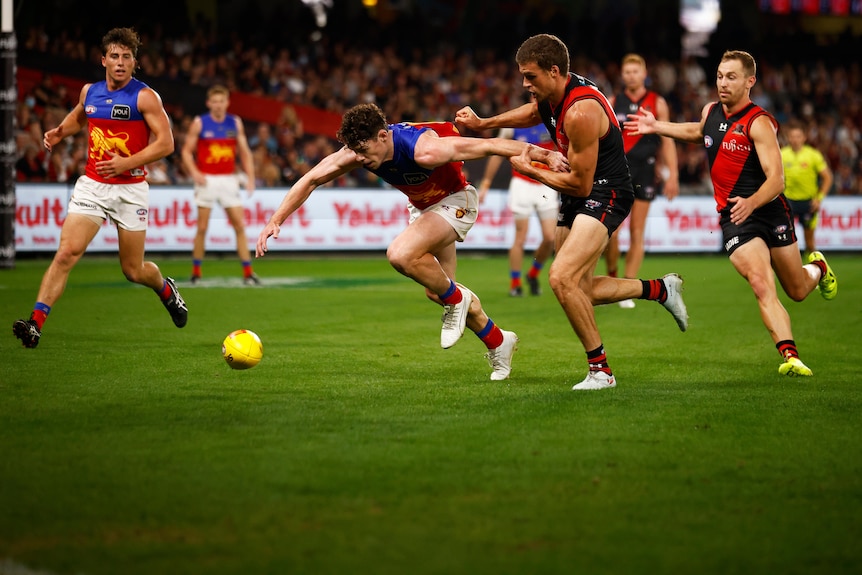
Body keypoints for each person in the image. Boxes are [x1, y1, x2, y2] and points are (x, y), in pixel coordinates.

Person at [256, 103, 567, 381]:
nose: (361, 159)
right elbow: (310, 178)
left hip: (456, 201)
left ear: (382, 136)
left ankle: (457, 301)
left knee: (401, 254)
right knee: (437, 290)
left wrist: (546, 155)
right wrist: (275, 219)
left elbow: (493, 146)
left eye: (364, 151)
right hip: (424, 208)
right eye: (355, 152)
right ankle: (499, 341)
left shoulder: (424, 150)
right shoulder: (358, 152)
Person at [455, 33, 688, 390]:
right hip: (580, 193)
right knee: (581, 289)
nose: (524, 83)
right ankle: (659, 290)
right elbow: (534, 112)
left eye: (530, 76)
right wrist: (484, 123)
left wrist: (529, 167)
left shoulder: (580, 111)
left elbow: (580, 184)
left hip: (606, 192)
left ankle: (602, 371)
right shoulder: (551, 96)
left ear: (553, 71)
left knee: (561, 278)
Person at [626, 50, 838, 377]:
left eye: (732, 77)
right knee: (760, 281)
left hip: (769, 211)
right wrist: (657, 126)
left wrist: (752, 201)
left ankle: (819, 268)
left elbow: (777, 180)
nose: (723, 83)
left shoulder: (759, 122)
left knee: (796, 289)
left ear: (750, 81)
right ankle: (790, 355)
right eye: (720, 76)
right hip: (735, 218)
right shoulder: (710, 110)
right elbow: (700, 132)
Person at [13, 27, 187, 349]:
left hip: (130, 188)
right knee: (66, 253)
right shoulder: (89, 92)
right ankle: (35, 323)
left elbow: (167, 143)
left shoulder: (145, 97)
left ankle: (165, 288)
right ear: (103, 59)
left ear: (135, 62)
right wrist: (60, 133)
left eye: (127, 57)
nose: (120, 62)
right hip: (93, 184)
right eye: (115, 56)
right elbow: (82, 116)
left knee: (133, 270)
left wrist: (126, 163)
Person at [605, 53, 680, 309]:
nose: (631, 76)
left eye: (636, 71)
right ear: (623, 75)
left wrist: (673, 176)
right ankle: (612, 274)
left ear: (644, 73)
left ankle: (626, 288)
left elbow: (667, 140)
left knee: (637, 231)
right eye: (627, 72)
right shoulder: (614, 101)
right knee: (612, 232)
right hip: (619, 171)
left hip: (646, 171)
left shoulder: (657, 102)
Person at [181, 84, 260, 285]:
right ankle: (196, 272)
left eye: (221, 101)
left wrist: (250, 176)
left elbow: (244, 151)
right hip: (207, 179)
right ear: (209, 103)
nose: (218, 105)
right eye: (214, 102)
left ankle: (248, 272)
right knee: (202, 227)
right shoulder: (200, 123)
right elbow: (186, 152)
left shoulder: (234, 123)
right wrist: (195, 172)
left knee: (239, 225)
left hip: (228, 179)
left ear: (227, 103)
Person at [477, 125, 558, 297]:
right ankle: (515, 283)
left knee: (550, 238)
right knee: (520, 236)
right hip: (522, 184)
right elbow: (497, 154)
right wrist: (485, 184)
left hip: (546, 183)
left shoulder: (553, 120)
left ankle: (533, 274)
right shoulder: (514, 126)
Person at [780, 120, 833, 255]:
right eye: (792, 136)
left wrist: (819, 198)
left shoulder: (813, 155)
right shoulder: (782, 154)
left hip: (808, 202)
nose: (795, 140)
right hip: (788, 202)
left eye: (798, 136)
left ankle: (820, 271)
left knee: (810, 243)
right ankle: (789, 272)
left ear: (804, 137)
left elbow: (828, 177)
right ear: (788, 137)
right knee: (784, 242)